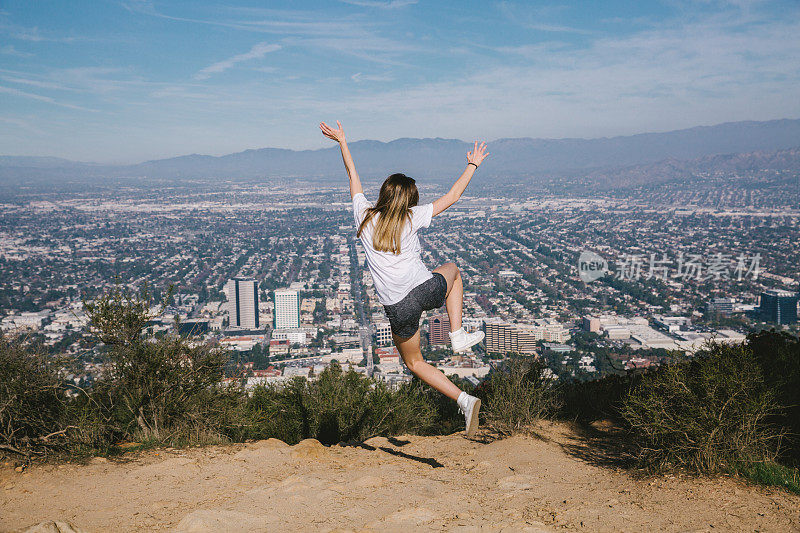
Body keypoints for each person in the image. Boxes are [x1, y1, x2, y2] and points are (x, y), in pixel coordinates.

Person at [319, 120, 489, 437]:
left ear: (383, 194)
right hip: (426, 291)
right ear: (409, 200)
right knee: (453, 269)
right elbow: (451, 197)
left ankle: (464, 400)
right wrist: (472, 165)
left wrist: (342, 141)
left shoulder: (365, 216)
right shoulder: (413, 216)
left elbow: (352, 177)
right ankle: (457, 334)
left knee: (415, 364)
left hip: (399, 308)